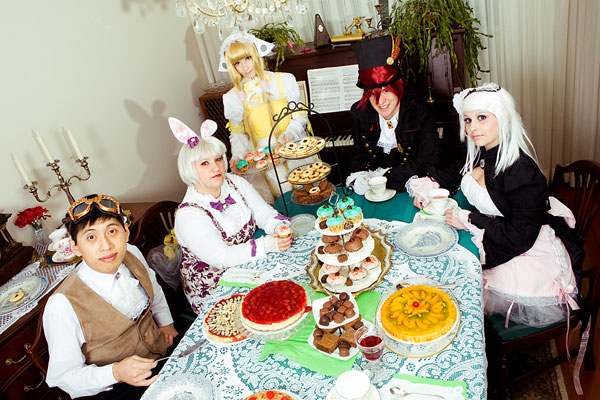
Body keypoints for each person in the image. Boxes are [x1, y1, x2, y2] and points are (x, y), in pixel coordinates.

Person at [442, 82, 580, 327]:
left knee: (456, 290)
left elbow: (520, 237)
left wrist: (470, 219)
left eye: (482, 118)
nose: (472, 128)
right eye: (468, 120)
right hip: (499, 232)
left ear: (505, 116)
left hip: (525, 252)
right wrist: (427, 183)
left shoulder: (521, 171)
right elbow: (455, 170)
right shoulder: (483, 149)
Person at [43, 194, 178, 399]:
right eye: (91, 237)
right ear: (75, 246)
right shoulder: (61, 305)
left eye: (112, 231)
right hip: (118, 388)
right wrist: (115, 372)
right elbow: (64, 377)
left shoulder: (132, 252)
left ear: (126, 232)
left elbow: (154, 289)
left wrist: (166, 323)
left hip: (162, 353)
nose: (106, 246)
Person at [169, 117, 293, 314]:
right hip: (216, 287)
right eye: (205, 163)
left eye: (218, 159)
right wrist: (267, 245)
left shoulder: (234, 182)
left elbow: (262, 212)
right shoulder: (189, 216)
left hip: (248, 265)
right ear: (189, 168)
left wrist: (278, 226)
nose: (216, 167)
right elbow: (222, 257)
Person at [346, 35, 456, 194]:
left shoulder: (421, 111)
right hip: (374, 193)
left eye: (386, 91)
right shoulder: (360, 112)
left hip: (411, 189)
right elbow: (359, 154)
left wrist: (382, 180)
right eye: (372, 94)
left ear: (398, 88)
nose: (380, 101)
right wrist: (358, 177)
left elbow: (428, 161)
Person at [221, 30, 308, 203]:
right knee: (278, 207)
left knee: (306, 195)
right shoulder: (232, 97)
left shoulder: (284, 81)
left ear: (257, 55)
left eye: (248, 58)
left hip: (292, 149)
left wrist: (290, 134)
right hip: (262, 162)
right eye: (237, 63)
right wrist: (237, 156)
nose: (245, 67)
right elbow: (238, 133)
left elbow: (299, 117)